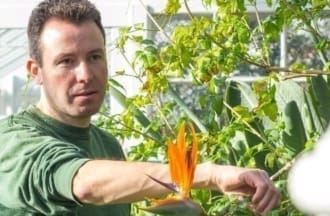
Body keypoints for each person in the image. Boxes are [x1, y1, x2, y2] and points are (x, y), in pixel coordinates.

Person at [0, 0, 281, 215]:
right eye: (66, 61)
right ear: (35, 71)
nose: (85, 74)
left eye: (95, 56)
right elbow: (84, 183)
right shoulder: (13, 143)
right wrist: (212, 175)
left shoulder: (107, 146)